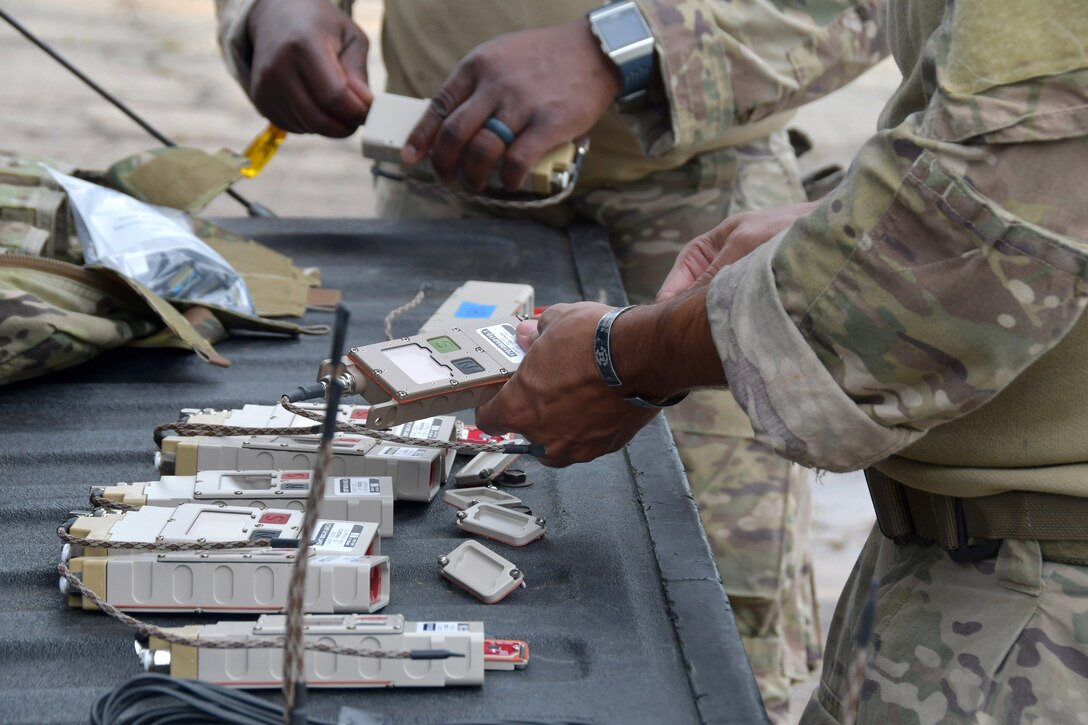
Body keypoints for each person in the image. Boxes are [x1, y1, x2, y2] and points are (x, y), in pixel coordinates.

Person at [215, 1, 888, 719]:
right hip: (448, 181)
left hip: (704, 221)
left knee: (699, 627)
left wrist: (630, 49)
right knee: (404, 591)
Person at [465, 0, 1088, 721]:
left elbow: (973, 235)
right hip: (977, 559)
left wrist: (625, 356)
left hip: (1041, 596)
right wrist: (847, 223)